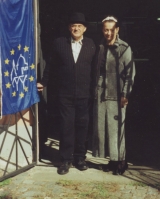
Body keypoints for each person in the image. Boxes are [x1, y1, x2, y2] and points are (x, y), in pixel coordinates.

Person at [37, 12, 96, 175]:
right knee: (66, 127)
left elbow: (96, 70)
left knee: (82, 127)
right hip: (65, 95)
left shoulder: (91, 45)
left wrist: (95, 90)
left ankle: (80, 158)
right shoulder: (60, 43)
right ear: (69, 28)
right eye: (73, 25)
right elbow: (50, 66)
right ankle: (65, 160)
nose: (76, 28)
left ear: (84, 29)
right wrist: (44, 82)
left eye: (79, 26)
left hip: (85, 95)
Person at [92, 16, 135, 175]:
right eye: (106, 30)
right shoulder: (100, 46)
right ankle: (112, 160)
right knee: (104, 129)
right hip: (101, 93)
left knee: (117, 129)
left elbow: (130, 73)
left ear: (117, 29)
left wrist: (125, 94)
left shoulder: (124, 48)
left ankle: (121, 162)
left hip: (117, 94)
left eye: (111, 29)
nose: (108, 33)